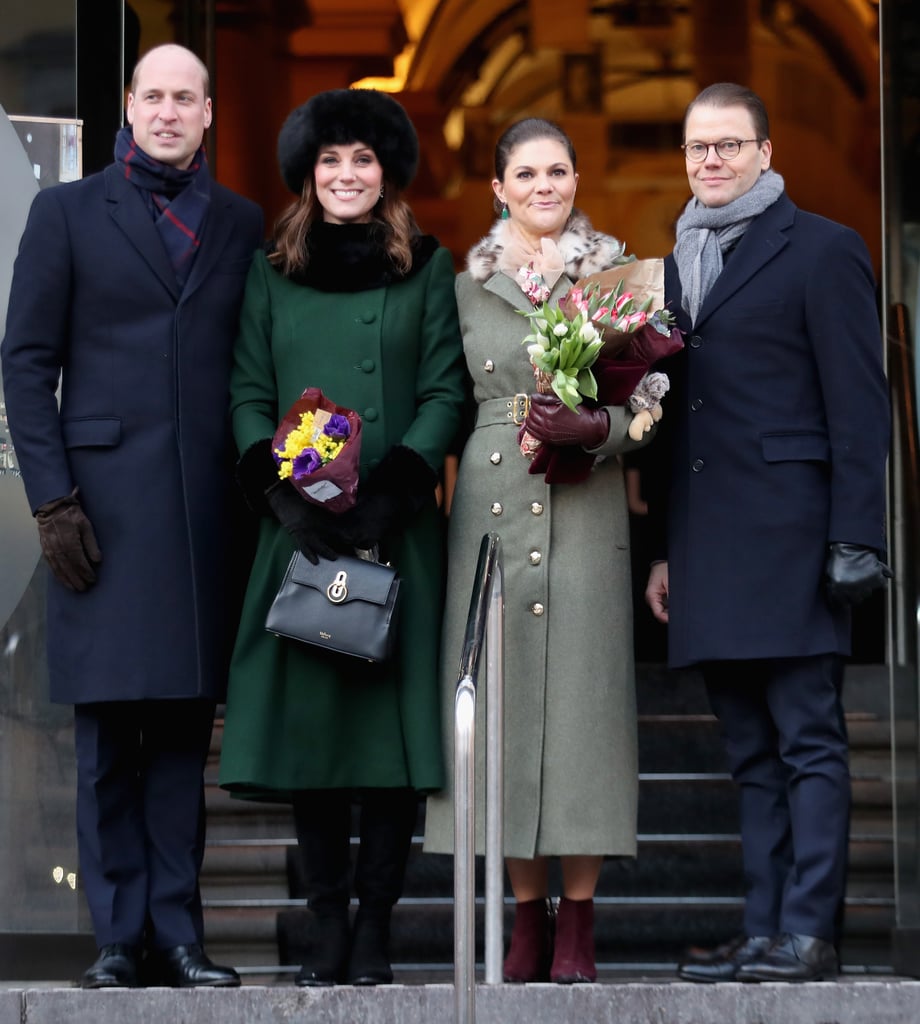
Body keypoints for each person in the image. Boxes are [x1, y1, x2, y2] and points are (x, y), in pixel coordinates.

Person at [0, 45, 263, 987]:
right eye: (151, 95)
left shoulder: (238, 222)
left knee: (183, 739)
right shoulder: (66, 211)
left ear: (206, 114)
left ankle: (180, 935)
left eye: (183, 97)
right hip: (98, 515)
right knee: (109, 738)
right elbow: (25, 363)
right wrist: (51, 498)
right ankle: (117, 938)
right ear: (129, 106)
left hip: (200, 514)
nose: (165, 111)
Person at [217, 88, 466, 987]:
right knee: (315, 743)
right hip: (301, 536)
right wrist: (283, 495)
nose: (347, 175)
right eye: (331, 160)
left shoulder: (428, 268)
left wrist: (392, 490)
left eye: (362, 159)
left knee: (386, 746)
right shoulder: (268, 273)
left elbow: (446, 391)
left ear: (386, 173)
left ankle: (375, 926)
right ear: (308, 175)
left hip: (392, 535)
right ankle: (325, 921)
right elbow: (247, 390)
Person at [643, 82, 891, 983]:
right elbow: (671, 420)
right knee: (749, 753)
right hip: (709, 542)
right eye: (697, 148)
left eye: (729, 146)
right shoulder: (668, 270)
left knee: (808, 740)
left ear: (766, 153)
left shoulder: (823, 249)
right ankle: (763, 928)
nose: (711, 162)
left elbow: (861, 407)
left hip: (795, 537)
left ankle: (810, 933)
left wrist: (857, 535)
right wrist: (666, 548)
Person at [424, 117, 656, 984]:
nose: (544, 186)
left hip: (587, 509)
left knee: (584, 710)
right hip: (489, 512)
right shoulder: (462, 289)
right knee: (506, 713)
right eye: (526, 173)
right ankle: (526, 915)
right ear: (498, 187)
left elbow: (651, 406)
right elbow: (444, 400)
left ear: (576, 178)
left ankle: (579, 923)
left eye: (558, 171)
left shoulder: (620, 278)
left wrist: (601, 429)